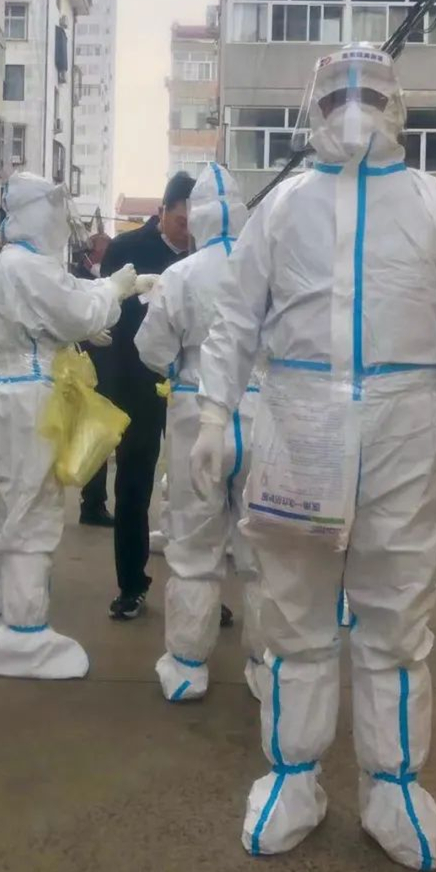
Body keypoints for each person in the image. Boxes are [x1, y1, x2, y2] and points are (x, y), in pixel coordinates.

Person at [192, 45, 436, 869]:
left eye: (369, 92)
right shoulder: (283, 206)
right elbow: (236, 318)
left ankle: (392, 785)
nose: (354, 107)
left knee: (396, 616)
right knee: (294, 613)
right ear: (315, 108)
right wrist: (214, 410)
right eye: (338, 95)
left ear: (397, 103)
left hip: (407, 425)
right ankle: (293, 775)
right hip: (298, 421)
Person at [0, 172, 153, 678]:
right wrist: (113, 290)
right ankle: (24, 637)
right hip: (27, 403)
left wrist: (103, 299)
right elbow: (77, 309)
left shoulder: (9, 264)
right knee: (30, 513)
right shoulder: (27, 265)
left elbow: (54, 307)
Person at [135, 163, 267, 703]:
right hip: (262, 412)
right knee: (265, 551)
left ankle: (188, 667)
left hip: (196, 412)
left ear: (198, 217)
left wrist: (179, 367)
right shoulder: (267, 270)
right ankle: (267, 667)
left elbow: (150, 347)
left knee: (193, 546)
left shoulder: (182, 274)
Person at [101, 172, 195, 620]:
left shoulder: (208, 253)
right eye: (181, 222)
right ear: (162, 211)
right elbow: (108, 319)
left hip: (192, 387)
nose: (188, 232)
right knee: (134, 484)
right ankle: (131, 585)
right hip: (137, 386)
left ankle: (198, 591)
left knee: (199, 488)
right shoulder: (127, 250)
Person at [73, 230, 115, 528]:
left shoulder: (108, 279)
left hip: (108, 368)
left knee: (102, 435)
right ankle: (92, 503)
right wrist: (87, 333)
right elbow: (67, 320)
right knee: (93, 435)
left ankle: (95, 502)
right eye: (103, 251)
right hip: (86, 369)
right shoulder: (75, 280)